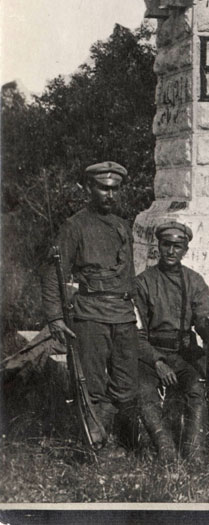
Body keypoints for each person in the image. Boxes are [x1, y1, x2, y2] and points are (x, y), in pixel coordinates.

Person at [41, 161, 138, 443]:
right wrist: (55, 317)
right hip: (91, 315)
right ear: (89, 188)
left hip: (123, 315)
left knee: (126, 385)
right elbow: (53, 273)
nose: (110, 194)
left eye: (115, 189)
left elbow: (128, 277)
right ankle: (93, 445)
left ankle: (121, 442)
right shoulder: (75, 226)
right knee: (91, 386)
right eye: (104, 188)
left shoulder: (122, 226)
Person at [134, 220, 209, 461]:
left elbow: (202, 320)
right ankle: (165, 448)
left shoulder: (194, 281)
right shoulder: (143, 282)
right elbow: (136, 333)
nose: (170, 251)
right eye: (166, 244)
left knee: (196, 387)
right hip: (151, 354)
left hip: (183, 353)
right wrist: (157, 362)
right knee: (143, 390)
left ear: (185, 250)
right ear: (158, 246)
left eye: (177, 247)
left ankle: (193, 450)